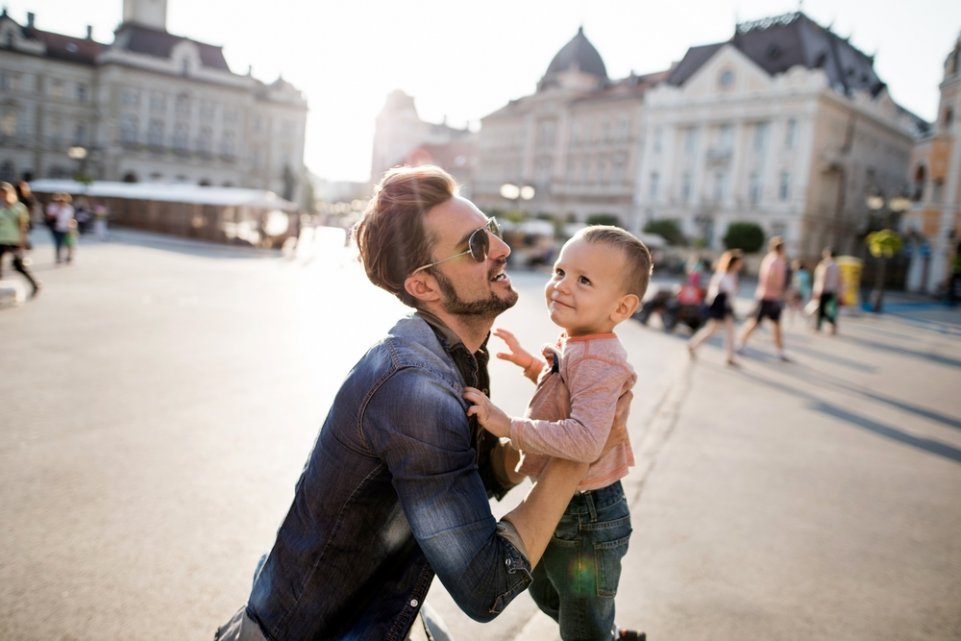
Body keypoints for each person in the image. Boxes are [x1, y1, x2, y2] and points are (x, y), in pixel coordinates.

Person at [214, 166, 632, 641]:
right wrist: (580, 451)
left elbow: (464, 483)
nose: (502, 248)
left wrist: (545, 436)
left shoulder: (461, 355)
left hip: (381, 614)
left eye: (491, 229)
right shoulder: (414, 388)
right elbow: (486, 586)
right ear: (424, 286)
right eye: (477, 245)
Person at [464, 225, 650, 641]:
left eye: (584, 281)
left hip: (588, 516)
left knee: (580, 621)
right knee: (549, 595)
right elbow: (568, 396)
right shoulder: (580, 342)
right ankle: (607, 634)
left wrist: (508, 426)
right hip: (568, 506)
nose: (562, 286)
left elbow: (585, 439)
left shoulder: (601, 359)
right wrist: (534, 366)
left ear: (621, 308)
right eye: (560, 271)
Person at [737, 236, 790, 361]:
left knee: (775, 324)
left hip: (772, 297)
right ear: (781, 248)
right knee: (755, 322)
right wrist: (780, 290)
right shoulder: (774, 261)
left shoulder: (774, 260)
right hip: (767, 297)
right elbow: (771, 277)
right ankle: (741, 343)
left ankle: (780, 351)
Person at [687, 249, 743, 366]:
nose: (740, 265)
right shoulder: (722, 275)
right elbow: (720, 290)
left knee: (714, 330)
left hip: (725, 307)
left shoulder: (732, 275)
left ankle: (693, 345)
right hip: (721, 307)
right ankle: (729, 357)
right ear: (733, 263)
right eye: (738, 262)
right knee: (725, 331)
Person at [0, 182, 41, 298]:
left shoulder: (19, 208)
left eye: (4, 194)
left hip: (14, 240)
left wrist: (22, 243)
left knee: (19, 266)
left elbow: (23, 227)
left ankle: (35, 284)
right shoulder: (1, 208)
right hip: (1, 239)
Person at [813, 248, 841, 334]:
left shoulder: (825, 265)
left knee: (821, 309)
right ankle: (832, 323)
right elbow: (839, 279)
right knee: (828, 309)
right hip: (832, 290)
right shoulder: (836, 266)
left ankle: (818, 326)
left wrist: (819, 290)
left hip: (824, 289)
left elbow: (823, 278)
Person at [45, 193, 75, 264]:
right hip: (56, 228)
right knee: (58, 243)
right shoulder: (53, 207)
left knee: (68, 243)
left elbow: (71, 219)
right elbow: (49, 217)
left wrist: (71, 228)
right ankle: (58, 257)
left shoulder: (69, 208)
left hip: (66, 228)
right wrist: (58, 211)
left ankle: (68, 256)